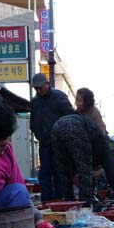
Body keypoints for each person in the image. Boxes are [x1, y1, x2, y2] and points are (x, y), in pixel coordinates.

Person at [51, 114, 114, 209]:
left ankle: (69, 209)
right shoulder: (106, 147)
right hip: (75, 127)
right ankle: (85, 211)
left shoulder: (96, 144)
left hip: (56, 127)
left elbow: (71, 171)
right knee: (85, 174)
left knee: (64, 172)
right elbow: (113, 174)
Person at [30, 73, 75, 202]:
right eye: (36, 88)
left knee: (59, 172)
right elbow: (33, 121)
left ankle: (59, 200)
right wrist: (36, 131)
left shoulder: (59, 97)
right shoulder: (35, 102)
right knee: (44, 173)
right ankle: (46, 201)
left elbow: (70, 116)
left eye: (40, 88)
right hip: (44, 142)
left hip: (59, 143)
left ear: (47, 84)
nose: (38, 90)